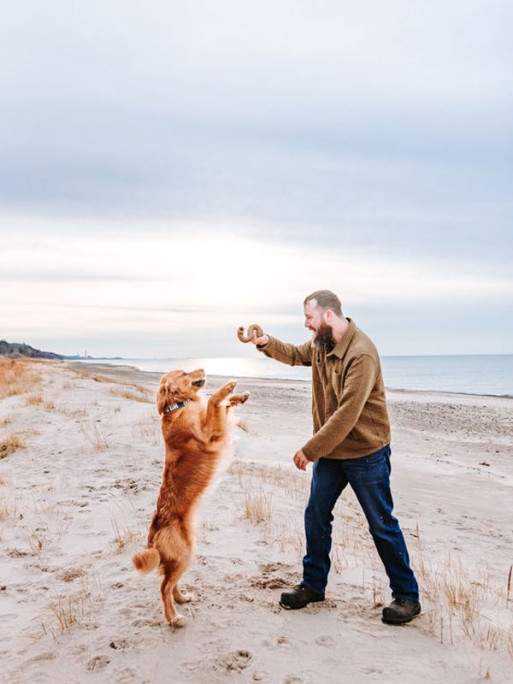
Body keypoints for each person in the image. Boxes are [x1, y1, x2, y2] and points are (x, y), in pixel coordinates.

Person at [245, 290, 420, 625]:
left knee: (381, 524)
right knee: (316, 515)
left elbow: (346, 415)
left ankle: (408, 597)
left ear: (327, 316)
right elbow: (295, 354)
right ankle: (313, 586)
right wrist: (264, 341)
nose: (306, 325)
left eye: (309, 318)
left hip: (366, 453)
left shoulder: (361, 353)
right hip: (332, 452)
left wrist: (309, 450)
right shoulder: (321, 344)